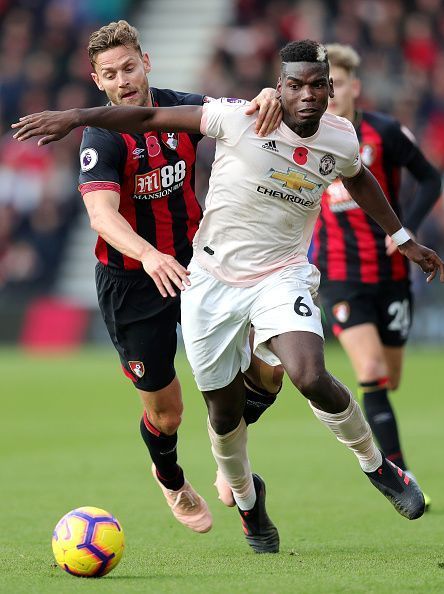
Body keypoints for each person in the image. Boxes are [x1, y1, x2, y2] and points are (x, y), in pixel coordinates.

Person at [12, 40, 444, 554]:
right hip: (182, 278)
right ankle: (240, 500)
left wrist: (402, 238)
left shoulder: (334, 136)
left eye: (316, 85)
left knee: (305, 372)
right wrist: (74, 116)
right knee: (204, 413)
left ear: (330, 89)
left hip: (275, 273)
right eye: (293, 85)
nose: (306, 95)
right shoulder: (199, 124)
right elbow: (110, 198)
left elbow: (359, 175)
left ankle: (380, 468)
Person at [20, 20, 283, 534]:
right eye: (110, 74)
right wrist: (149, 255)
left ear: (146, 62)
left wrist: (269, 92)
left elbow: (244, 113)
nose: (123, 80)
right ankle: (171, 478)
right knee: (168, 414)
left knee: (269, 366)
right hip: (133, 280)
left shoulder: (179, 107)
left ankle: (227, 453)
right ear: (98, 82)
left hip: (200, 263)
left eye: (129, 67)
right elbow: (101, 215)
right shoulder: (101, 135)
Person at [312, 44, 442, 510]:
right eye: (325, 85)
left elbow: (431, 179)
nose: (330, 94)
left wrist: (407, 229)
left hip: (391, 275)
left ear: (355, 87)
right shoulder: (308, 134)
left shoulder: (385, 133)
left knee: (389, 379)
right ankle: (401, 480)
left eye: (339, 84)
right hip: (341, 277)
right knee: (369, 372)